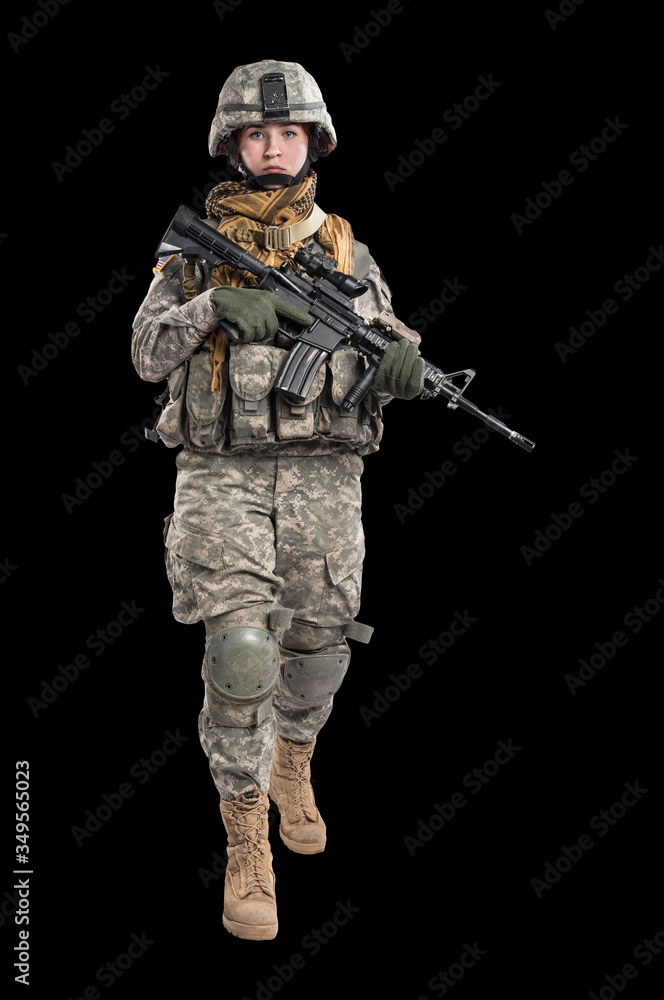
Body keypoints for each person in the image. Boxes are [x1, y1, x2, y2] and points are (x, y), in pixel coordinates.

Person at [131, 59, 423, 941]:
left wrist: (404, 364)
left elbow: (384, 334)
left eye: (286, 132)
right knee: (242, 652)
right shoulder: (190, 254)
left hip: (324, 479)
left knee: (321, 644)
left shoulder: (346, 250)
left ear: (313, 143)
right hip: (219, 475)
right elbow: (145, 356)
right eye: (255, 134)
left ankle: (293, 762)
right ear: (231, 145)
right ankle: (245, 833)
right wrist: (211, 307)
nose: (270, 148)